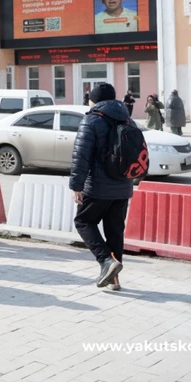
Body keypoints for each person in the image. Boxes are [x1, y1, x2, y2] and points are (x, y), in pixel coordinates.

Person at [69, 82, 135, 291]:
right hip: (123, 186)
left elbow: (81, 156)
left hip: (98, 186)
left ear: (94, 100)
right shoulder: (128, 119)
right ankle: (113, 280)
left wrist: (76, 186)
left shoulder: (91, 120)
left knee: (83, 221)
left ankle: (106, 261)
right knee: (115, 231)